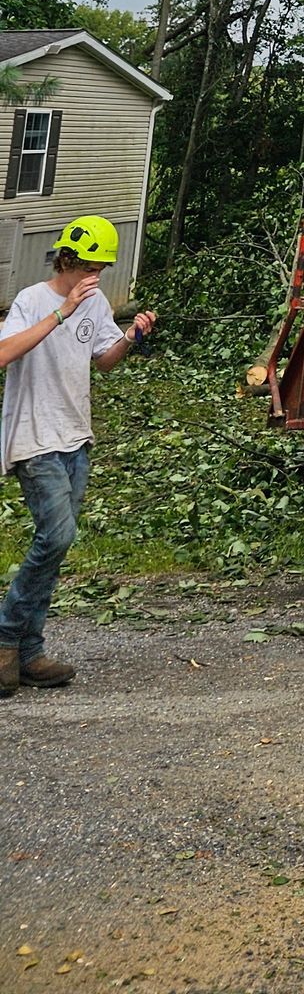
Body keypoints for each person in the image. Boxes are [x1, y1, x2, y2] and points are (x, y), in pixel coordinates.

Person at [0, 217, 154, 696]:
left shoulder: (96, 303)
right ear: (67, 259)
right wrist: (62, 312)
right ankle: (6, 636)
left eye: (103, 268)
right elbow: (3, 353)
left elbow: (104, 358)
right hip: (34, 437)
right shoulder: (32, 299)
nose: (98, 275)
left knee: (57, 545)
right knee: (58, 534)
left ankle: (28, 655)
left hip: (75, 438)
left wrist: (133, 336)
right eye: (92, 266)